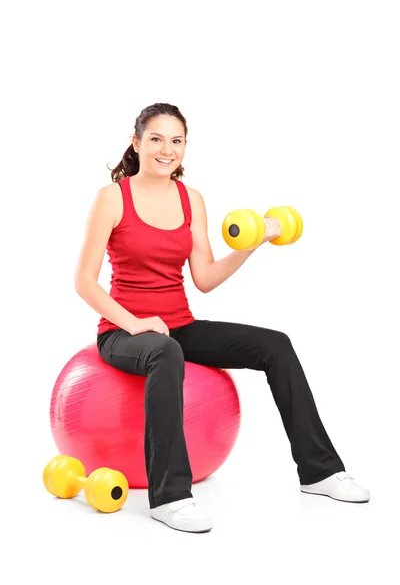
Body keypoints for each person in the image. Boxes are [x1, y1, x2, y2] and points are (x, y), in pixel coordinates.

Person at [74, 102, 370, 533]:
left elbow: (206, 278)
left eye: (176, 141)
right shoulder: (111, 199)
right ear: (136, 143)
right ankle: (170, 497)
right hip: (123, 333)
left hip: (179, 325)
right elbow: (84, 281)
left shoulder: (191, 199)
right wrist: (133, 322)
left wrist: (254, 243)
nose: (166, 149)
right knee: (164, 351)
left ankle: (319, 471)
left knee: (275, 344)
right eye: (156, 139)